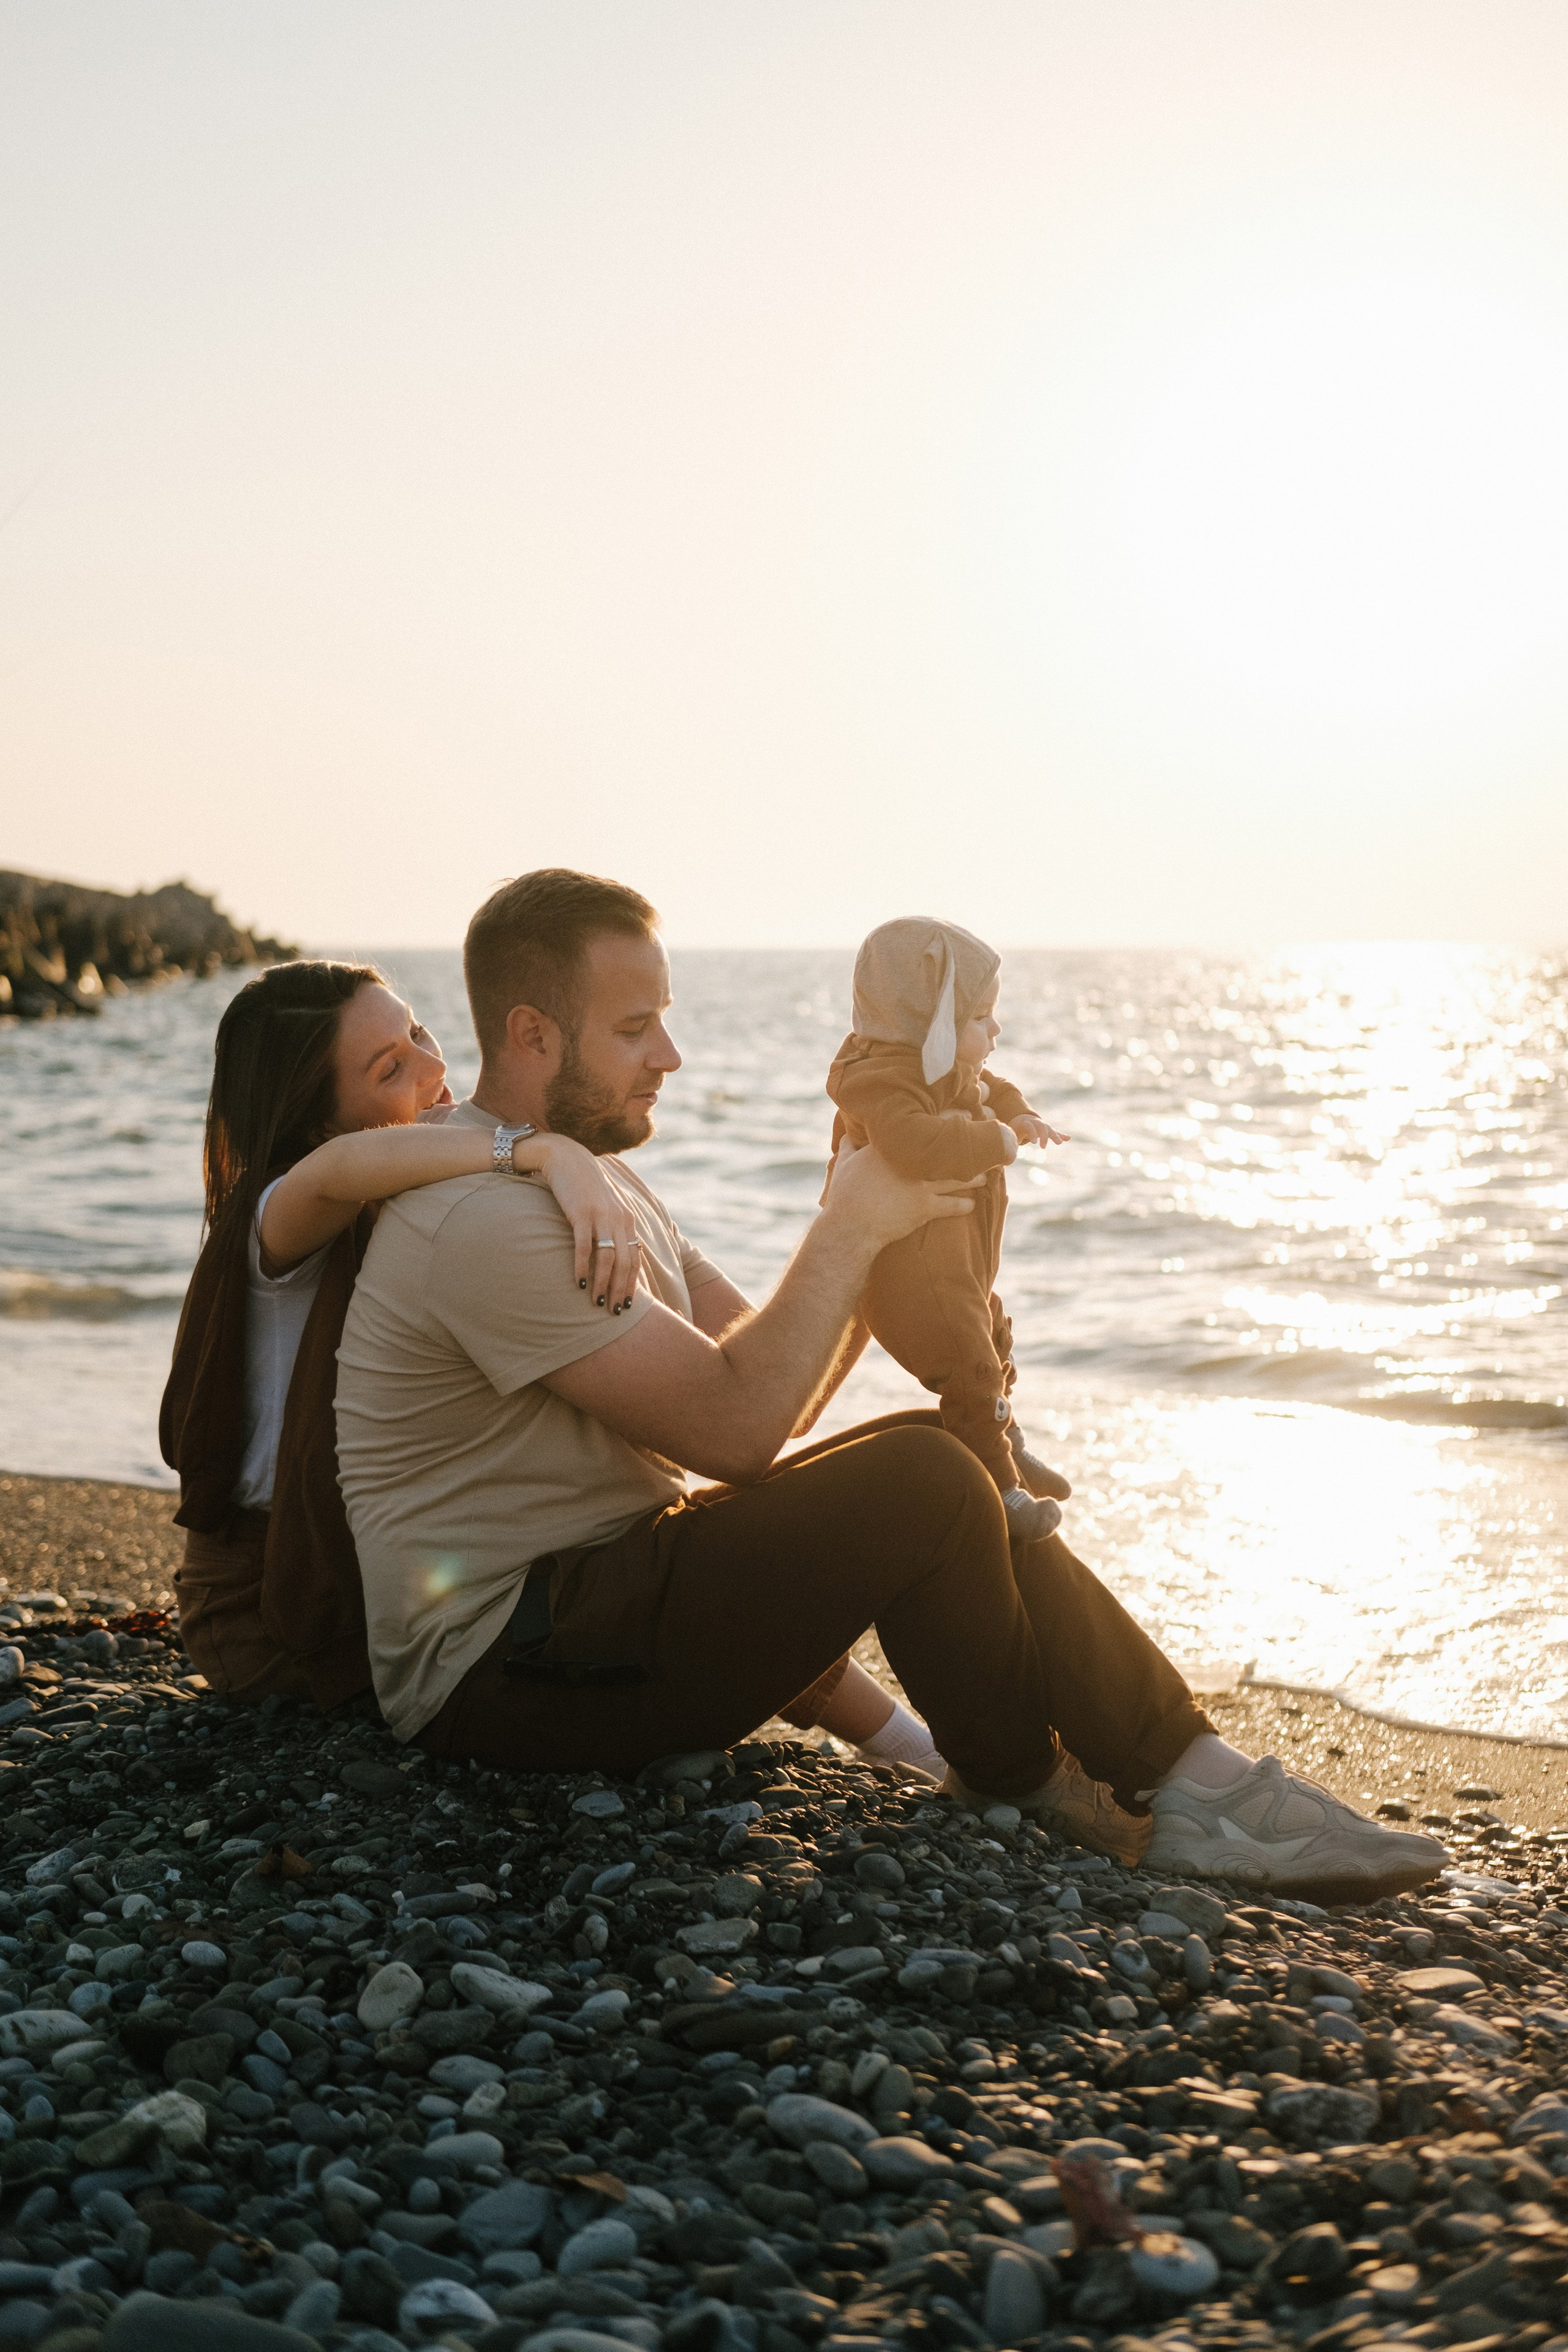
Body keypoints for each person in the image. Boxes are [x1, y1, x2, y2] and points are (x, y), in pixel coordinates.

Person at [334, 869, 1447, 1899]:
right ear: (532, 1033)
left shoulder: (600, 1185)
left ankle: (1158, 1772)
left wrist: (874, 1228)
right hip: (499, 1670)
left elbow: (768, 1379)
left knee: (947, 1460)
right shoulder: (482, 1219)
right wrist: (849, 1224)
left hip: (595, 1607)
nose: (669, 1054)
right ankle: (1072, 1780)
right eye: (635, 1028)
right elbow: (735, 1431)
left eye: (663, 1020)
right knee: (924, 1474)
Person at [160, 958, 644, 1708]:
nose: (437, 1063)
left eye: (417, 1029)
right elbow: (339, 1170)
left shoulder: (417, 1188)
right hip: (269, 1599)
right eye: (393, 1067)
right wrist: (546, 1151)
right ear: (320, 1122)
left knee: (649, 1531)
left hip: (376, 1558)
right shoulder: (279, 1213)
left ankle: (896, 1748)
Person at [826, 916, 1071, 1544]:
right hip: (913, 1273)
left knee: (991, 1338)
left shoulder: (940, 1069)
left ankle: (1006, 1439)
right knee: (969, 1364)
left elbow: (992, 1086)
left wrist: (1021, 1113)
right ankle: (1000, 1488)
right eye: (980, 1018)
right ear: (929, 1023)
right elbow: (912, 1143)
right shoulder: (880, 1081)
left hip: (953, 1262)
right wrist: (997, 1139)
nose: (996, 1030)